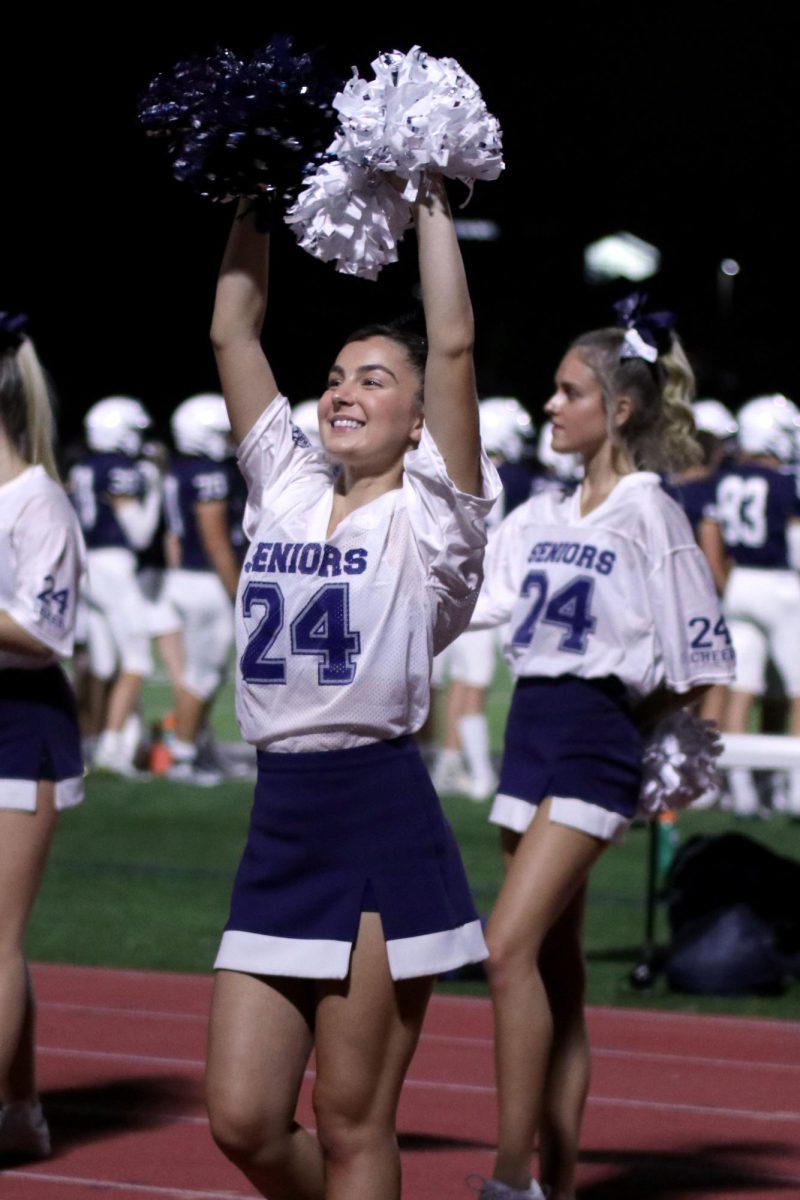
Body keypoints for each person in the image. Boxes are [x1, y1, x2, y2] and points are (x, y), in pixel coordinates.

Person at [204, 174, 500, 1200]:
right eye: (335, 374)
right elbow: (233, 335)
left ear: (420, 418)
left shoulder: (433, 522)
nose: (341, 390)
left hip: (375, 820)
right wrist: (249, 192)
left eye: (374, 379)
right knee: (241, 1120)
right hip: (278, 819)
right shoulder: (284, 489)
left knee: (349, 1123)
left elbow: (453, 343)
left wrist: (426, 190)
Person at [469, 310, 735, 1200]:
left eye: (570, 392)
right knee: (555, 970)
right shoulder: (540, 510)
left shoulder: (651, 511)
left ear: (619, 408)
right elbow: (466, 600)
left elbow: (702, 657)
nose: (551, 405)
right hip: (529, 731)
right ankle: (563, 1178)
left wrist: (632, 719)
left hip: (593, 740)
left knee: (504, 948)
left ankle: (512, 1179)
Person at [0, 313, 85, 1158]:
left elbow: (45, 633)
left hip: (19, 726)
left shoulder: (40, 500)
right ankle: (19, 1110)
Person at [68, 395, 161, 774]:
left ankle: (87, 743)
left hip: (85, 564)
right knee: (137, 660)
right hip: (112, 563)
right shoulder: (120, 469)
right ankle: (111, 748)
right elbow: (139, 534)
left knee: (104, 663)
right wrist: (153, 488)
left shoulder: (84, 466)